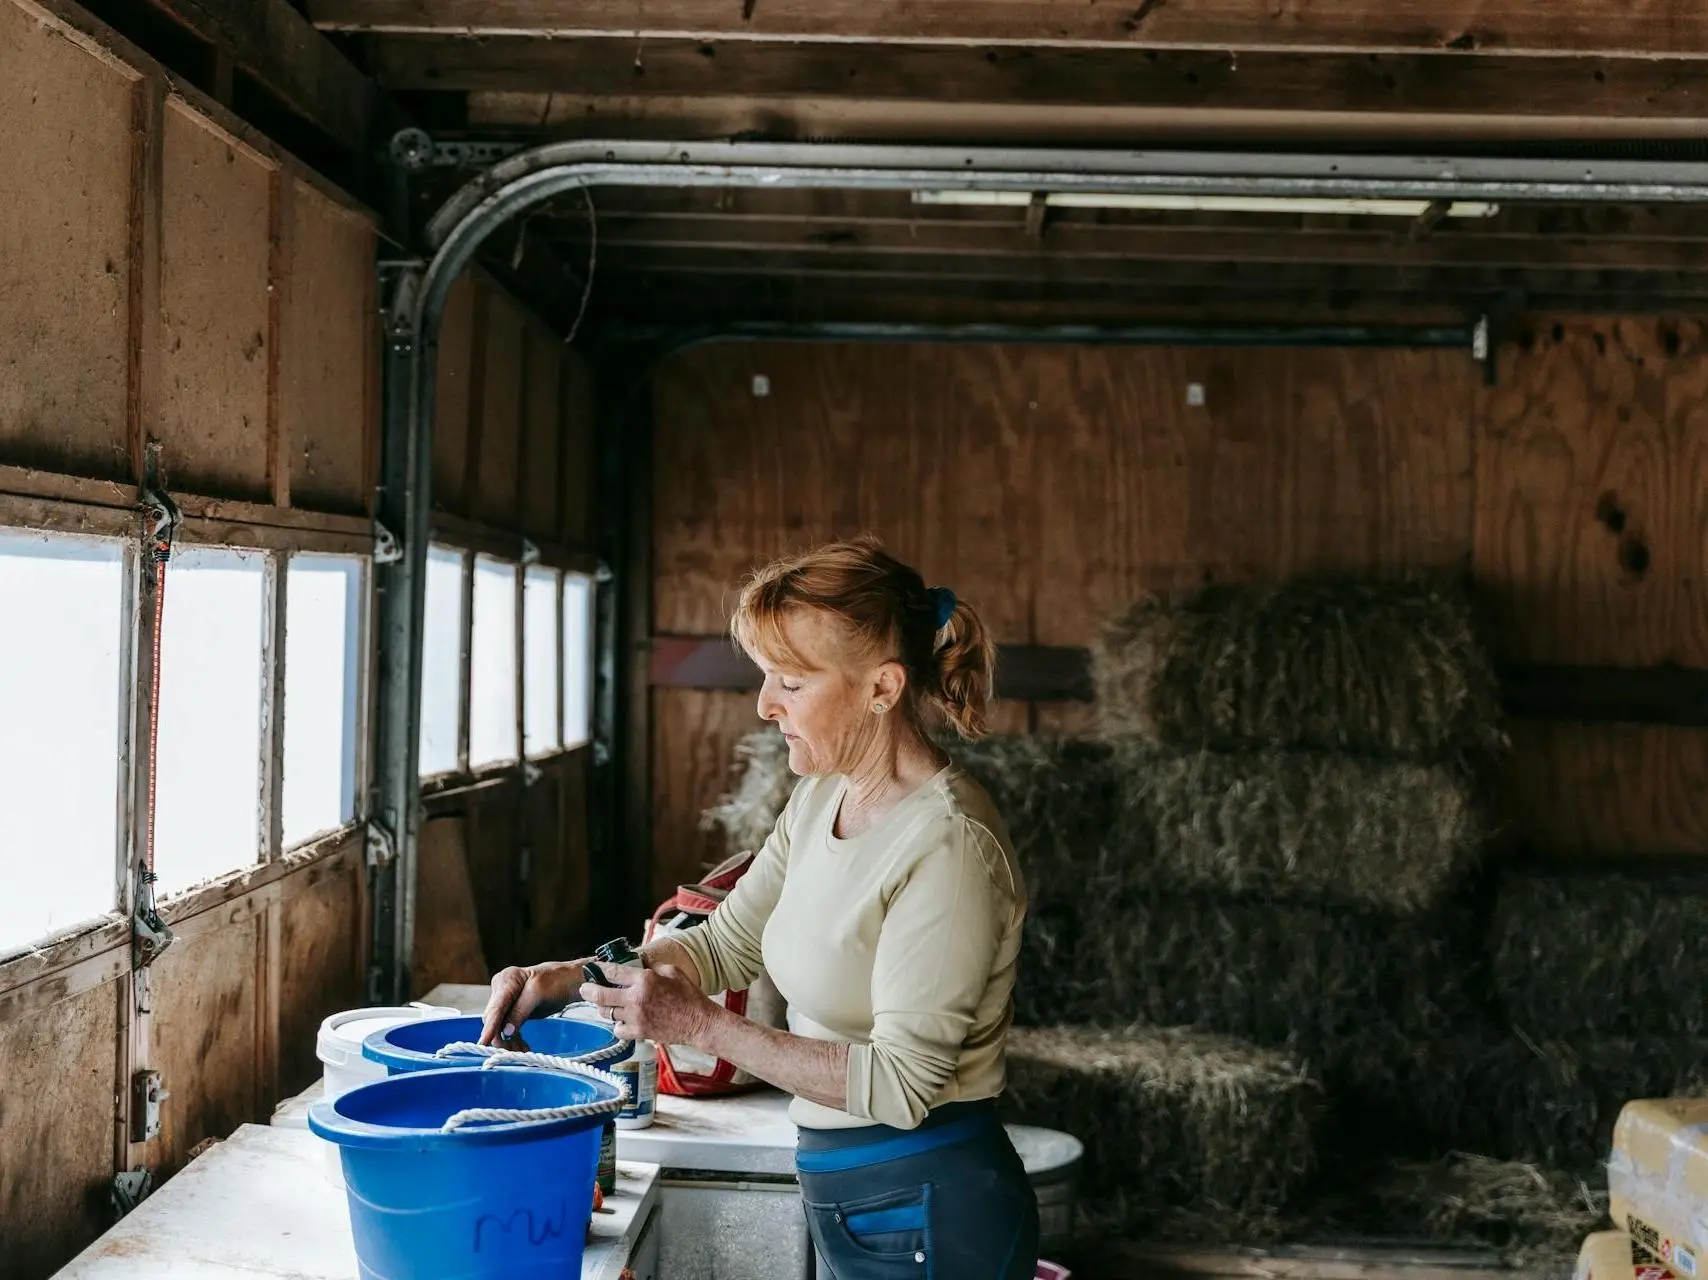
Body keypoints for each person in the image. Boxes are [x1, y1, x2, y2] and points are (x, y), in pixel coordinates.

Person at [481, 536, 1039, 1278]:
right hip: (858, 1196)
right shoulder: (822, 796)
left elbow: (905, 1084)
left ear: (882, 687)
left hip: (928, 1204)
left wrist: (705, 1026)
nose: (765, 704)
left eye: (792, 681)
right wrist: (575, 977)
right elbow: (725, 944)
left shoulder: (949, 848)